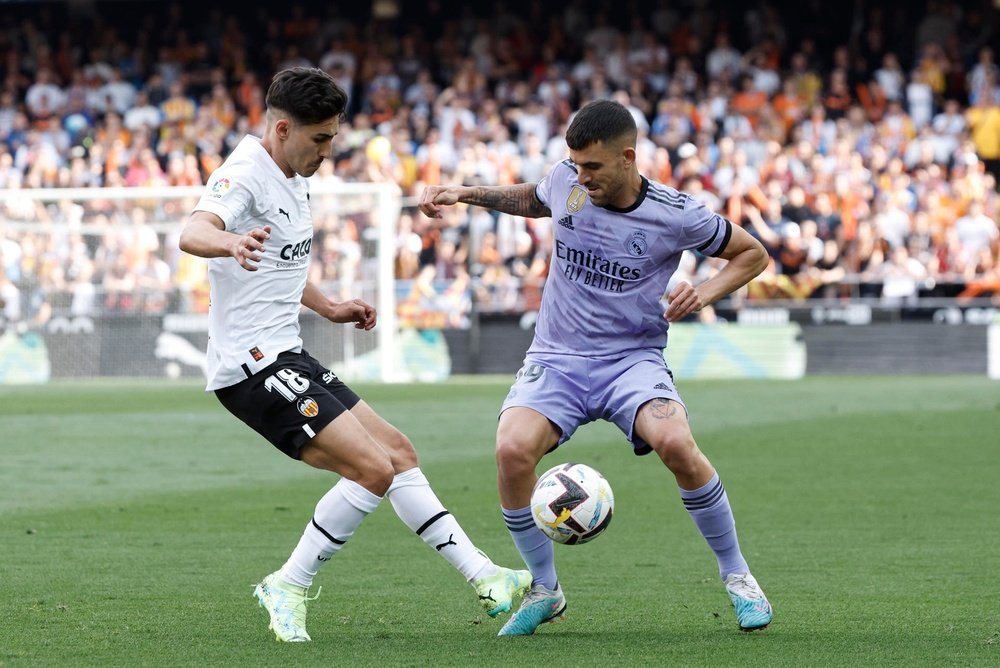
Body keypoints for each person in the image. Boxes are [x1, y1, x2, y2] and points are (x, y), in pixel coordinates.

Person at [178, 67, 530, 642]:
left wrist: (330, 306)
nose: (328, 149)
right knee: (370, 470)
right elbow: (194, 230)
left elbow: (282, 266)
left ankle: (488, 577)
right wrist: (230, 241)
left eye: (333, 137)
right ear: (283, 128)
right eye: (319, 138)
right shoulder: (244, 173)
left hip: (285, 354)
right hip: (252, 367)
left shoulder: (292, 174)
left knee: (398, 451)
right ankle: (286, 585)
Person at [418, 99, 773, 636]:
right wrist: (466, 192)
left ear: (628, 158)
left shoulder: (676, 213)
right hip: (556, 357)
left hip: (632, 361)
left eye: (593, 167)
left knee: (676, 444)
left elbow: (752, 254)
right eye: (575, 164)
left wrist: (702, 292)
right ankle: (545, 589)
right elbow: (535, 199)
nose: (580, 176)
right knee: (512, 452)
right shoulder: (570, 182)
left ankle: (739, 577)